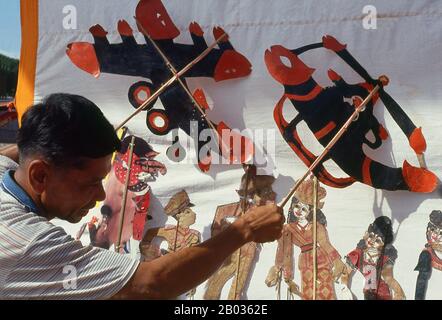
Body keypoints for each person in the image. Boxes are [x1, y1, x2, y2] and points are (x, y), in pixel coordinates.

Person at [0, 93, 284, 300]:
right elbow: (150, 285)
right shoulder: (29, 243)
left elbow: (17, 153)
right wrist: (244, 229)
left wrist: (49, 134)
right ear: (39, 176)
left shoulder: (9, 170)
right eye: (91, 182)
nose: (100, 194)